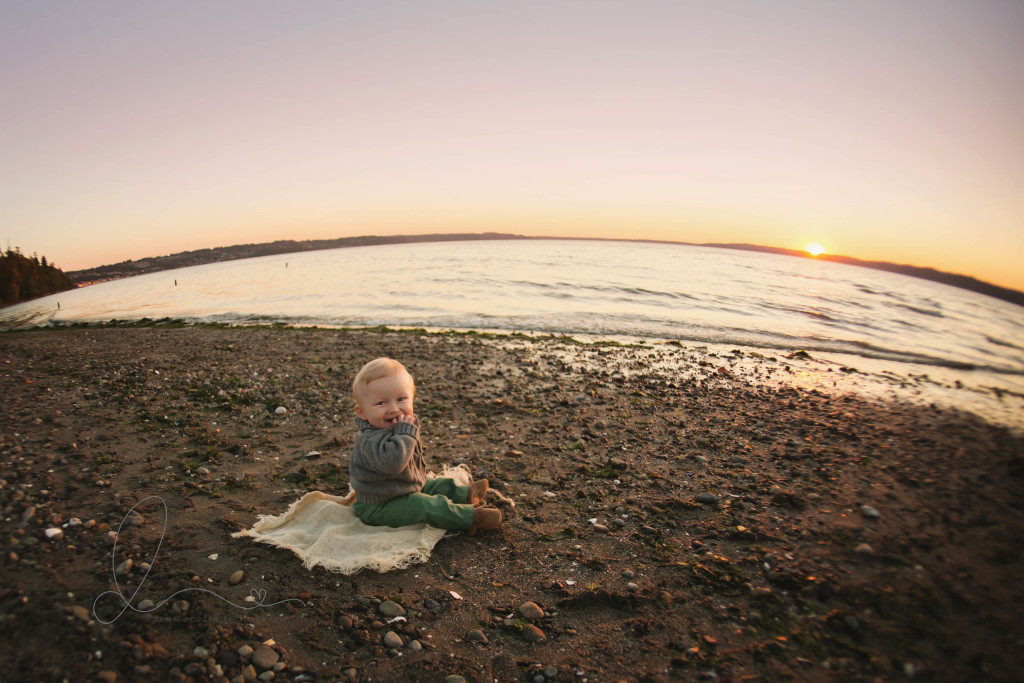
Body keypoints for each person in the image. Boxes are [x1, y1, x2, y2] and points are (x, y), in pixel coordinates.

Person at [348, 357, 502, 534]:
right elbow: (393, 464)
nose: (393, 409)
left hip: (403, 487)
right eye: (381, 403)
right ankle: (469, 518)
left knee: (433, 484)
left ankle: (465, 495)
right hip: (378, 505)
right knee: (423, 505)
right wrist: (405, 433)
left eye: (401, 399)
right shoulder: (369, 440)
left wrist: (406, 432)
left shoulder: (398, 426)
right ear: (362, 413)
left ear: (412, 398)